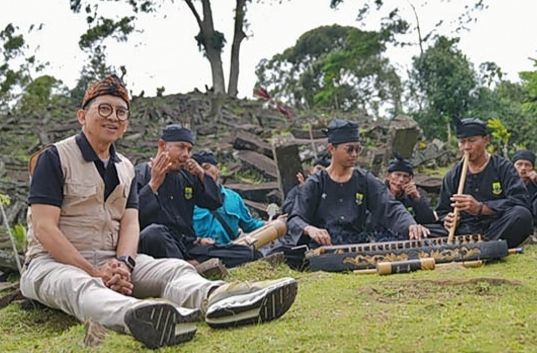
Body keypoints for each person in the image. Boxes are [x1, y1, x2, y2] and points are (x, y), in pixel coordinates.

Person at [20, 75, 297, 349]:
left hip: (112, 261)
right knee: (78, 284)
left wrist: (125, 265)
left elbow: (130, 223)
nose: (113, 117)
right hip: (52, 264)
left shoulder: (125, 167)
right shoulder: (55, 158)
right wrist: (93, 271)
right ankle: (139, 316)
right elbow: (45, 229)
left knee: (173, 268)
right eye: (104, 109)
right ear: (82, 115)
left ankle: (221, 299)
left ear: (126, 123)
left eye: (121, 112)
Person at [287, 119, 429, 248]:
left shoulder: (364, 179)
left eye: (358, 149)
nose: (354, 154)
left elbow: (390, 206)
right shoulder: (316, 182)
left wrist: (410, 225)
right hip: (323, 247)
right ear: (331, 149)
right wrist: (310, 229)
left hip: (357, 245)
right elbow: (296, 218)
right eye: (349, 149)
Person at [135, 124, 261, 268]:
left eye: (189, 149)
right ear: (163, 145)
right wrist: (154, 183)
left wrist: (201, 174)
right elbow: (134, 215)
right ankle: (188, 267)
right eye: (181, 147)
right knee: (153, 233)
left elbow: (215, 202)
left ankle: (190, 265)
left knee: (248, 253)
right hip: (157, 245)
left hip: (187, 246)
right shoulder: (140, 173)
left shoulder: (187, 176)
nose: (186, 155)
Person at [436, 118, 533, 247]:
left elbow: (520, 200)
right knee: (423, 230)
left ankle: (480, 246)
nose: (466, 147)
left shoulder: (503, 167)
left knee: (521, 215)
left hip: (497, 224)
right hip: (465, 228)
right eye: (462, 142)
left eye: (472, 141)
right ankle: (486, 246)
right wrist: (447, 219)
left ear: (486, 140)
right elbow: (442, 210)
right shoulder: (452, 175)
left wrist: (481, 208)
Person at [191, 150, 265, 245]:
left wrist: (271, 223)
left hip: (230, 250)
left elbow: (249, 225)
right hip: (201, 252)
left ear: (218, 169)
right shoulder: (188, 200)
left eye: (206, 167)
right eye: (198, 169)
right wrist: (199, 240)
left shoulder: (233, 198)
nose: (202, 172)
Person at [385, 154, 437, 224]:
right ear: (388, 176)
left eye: (405, 176)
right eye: (398, 175)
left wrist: (417, 199)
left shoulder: (414, 193)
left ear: (410, 179)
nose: (401, 179)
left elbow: (428, 220)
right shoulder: (379, 192)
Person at [512, 149, 537, 222]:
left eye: (527, 165)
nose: (523, 168)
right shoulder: (506, 183)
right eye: (519, 164)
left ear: (533, 168)